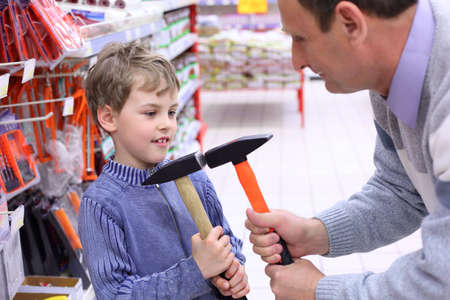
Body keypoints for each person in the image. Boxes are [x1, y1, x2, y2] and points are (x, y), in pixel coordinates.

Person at [245, 0, 450, 299]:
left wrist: (319, 291)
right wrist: (314, 233)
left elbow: (441, 279)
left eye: (300, 38)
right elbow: (402, 190)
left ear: (350, 23)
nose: (295, 61)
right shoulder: (390, 72)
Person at [79, 41, 250, 299]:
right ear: (109, 118)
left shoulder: (195, 179)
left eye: (171, 112)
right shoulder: (102, 206)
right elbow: (115, 295)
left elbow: (225, 238)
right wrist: (196, 271)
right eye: (151, 113)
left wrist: (234, 268)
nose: (167, 124)